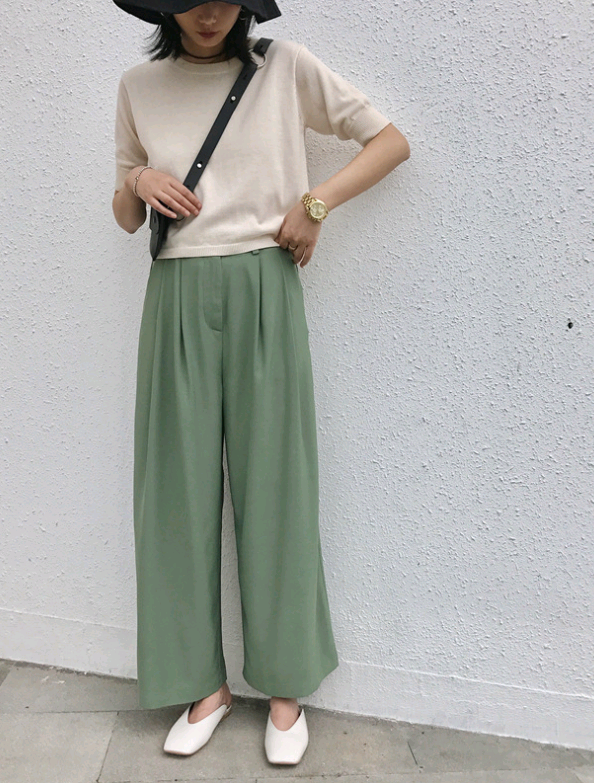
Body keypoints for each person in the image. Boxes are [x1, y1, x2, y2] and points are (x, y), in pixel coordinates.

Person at [111, 0, 410, 766]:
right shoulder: (138, 86)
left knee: (276, 482)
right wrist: (138, 177)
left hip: (265, 283)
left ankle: (284, 688)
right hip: (177, 291)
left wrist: (316, 204)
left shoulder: (283, 68)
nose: (209, 12)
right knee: (172, 492)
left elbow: (390, 141)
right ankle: (200, 686)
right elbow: (124, 215)